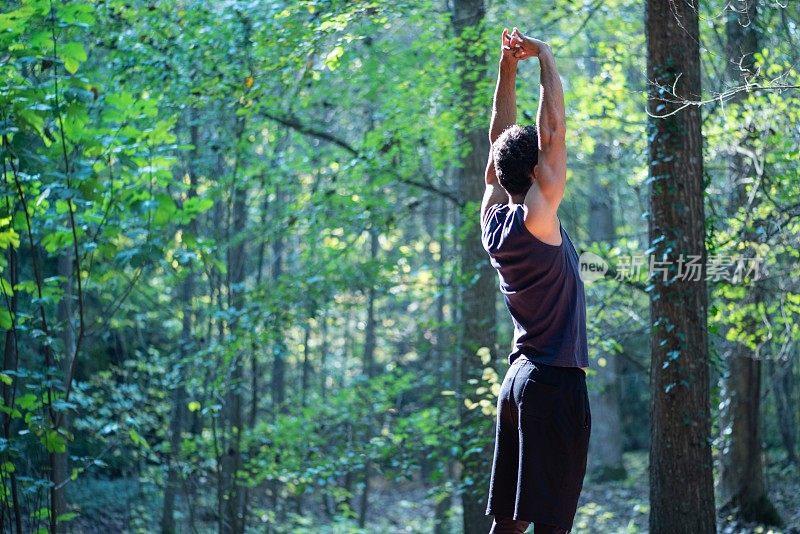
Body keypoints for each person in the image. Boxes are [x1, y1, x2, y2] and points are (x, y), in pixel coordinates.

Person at [480, 28, 591, 534]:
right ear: (537, 169)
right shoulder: (537, 219)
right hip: (553, 384)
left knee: (509, 524)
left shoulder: (494, 222)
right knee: (551, 526)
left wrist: (508, 69)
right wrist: (543, 56)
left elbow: (496, 146)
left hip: (517, 383)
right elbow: (555, 132)